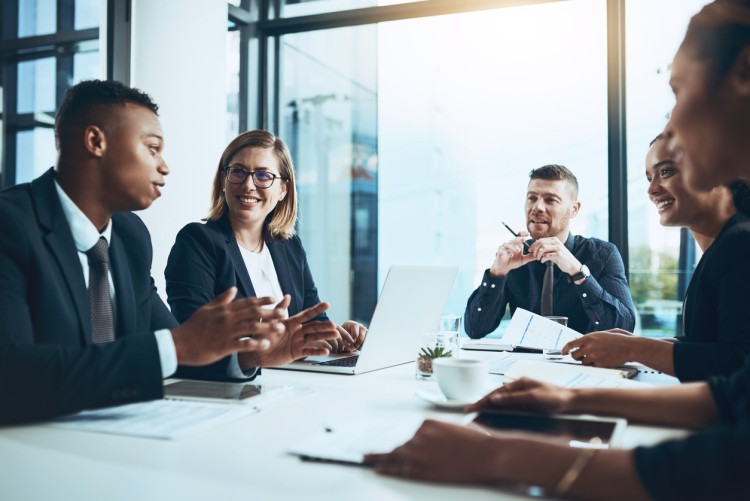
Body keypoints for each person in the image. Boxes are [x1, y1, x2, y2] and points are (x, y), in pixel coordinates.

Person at [366, 1, 750, 499]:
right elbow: (732, 398)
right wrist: (496, 276)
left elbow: (727, 450)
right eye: (532, 198)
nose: (671, 119)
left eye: (678, 89)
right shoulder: (723, 250)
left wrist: (505, 453)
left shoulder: (636, 252)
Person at [0, 80, 337, 425]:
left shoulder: (130, 238)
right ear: (95, 141)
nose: (164, 167)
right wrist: (175, 346)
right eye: (152, 148)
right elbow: (13, 373)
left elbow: (183, 348)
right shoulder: (10, 225)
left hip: (118, 432)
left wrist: (252, 356)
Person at [165, 129, 367, 378]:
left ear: (283, 189)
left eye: (263, 175)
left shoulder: (289, 246)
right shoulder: (198, 242)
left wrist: (339, 335)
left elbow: (313, 321)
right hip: (231, 385)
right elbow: (194, 336)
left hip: (292, 381)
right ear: (223, 180)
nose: (248, 185)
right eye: (238, 171)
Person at [562, 134, 750, 381]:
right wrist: (636, 344)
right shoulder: (721, 247)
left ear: (711, 171)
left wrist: (634, 348)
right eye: (650, 178)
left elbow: (739, 363)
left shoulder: (739, 244)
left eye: (667, 172)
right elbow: (709, 341)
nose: (651, 189)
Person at [464, 164, 636, 337]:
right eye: (532, 198)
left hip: (579, 363)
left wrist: (578, 273)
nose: (537, 207)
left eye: (550, 200)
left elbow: (624, 328)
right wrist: (497, 274)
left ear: (574, 209)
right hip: (522, 363)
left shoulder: (603, 255)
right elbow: (475, 329)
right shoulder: (514, 257)